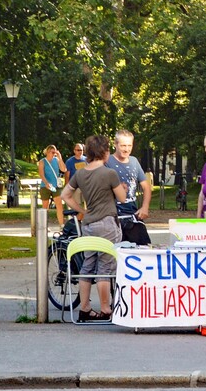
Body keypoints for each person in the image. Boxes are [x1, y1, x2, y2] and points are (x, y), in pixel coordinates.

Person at [60, 134, 126, 321]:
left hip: (88, 225)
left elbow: (65, 195)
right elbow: (121, 198)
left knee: (88, 265)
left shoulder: (80, 173)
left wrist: (82, 210)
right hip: (107, 224)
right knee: (105, 267)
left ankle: (85, 308)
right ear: (104, 152)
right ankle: (106, 309)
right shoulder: (109, 174)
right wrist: (123, 188)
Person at [107, 129, 152, 245]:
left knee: (144, 247)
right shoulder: (107, 161)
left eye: (129, 145)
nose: (126, 149)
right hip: (113, 216)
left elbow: (146, 186)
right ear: (115, 144)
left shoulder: (134, 161)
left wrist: (145, 207)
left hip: (133, 214)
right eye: (123, 145)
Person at [37, 145, 67, 227]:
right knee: (45, 206)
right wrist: (46, 183)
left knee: (59, 205)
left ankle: (61, 225)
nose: (53, 154)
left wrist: (60, 158)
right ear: (47, 152)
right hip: (45, 186)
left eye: (55, 152)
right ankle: (44, 226)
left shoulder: (56, 160)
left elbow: (64, 169)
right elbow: (41, 174)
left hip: (56, 186)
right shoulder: (42, 161)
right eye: (52, 152)